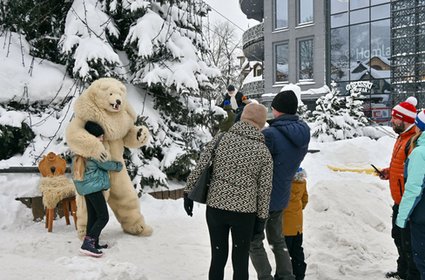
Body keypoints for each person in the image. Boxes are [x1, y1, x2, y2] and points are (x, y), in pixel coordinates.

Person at [184, 103, 273, 280]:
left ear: (242, 117)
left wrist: (188, 193)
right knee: (240, 261)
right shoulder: (263, 152)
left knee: (218, 257)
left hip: (216, 209)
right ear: (262, 124)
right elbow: (264, 190)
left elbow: (201, 167)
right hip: (244, 214)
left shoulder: (221, 139)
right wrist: (261, 219)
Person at [249, 89, 310, 280]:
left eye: (273, 108)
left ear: (278, 110)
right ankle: (286, 275)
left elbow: (255, 163)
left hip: (264, 196)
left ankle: (265, 277)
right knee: (277, 239)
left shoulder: (271, 135)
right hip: (282, 195)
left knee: (254, 240)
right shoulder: (303, 132)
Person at [377, 97, 420, 279]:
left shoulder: (413, 141)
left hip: (409, 202)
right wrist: (389, 172)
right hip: (399, 200)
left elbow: (414, 173)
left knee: (409, 242)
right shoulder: (402, 137)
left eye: (396, 118)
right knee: (398, 237)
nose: (392, 120)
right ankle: (403, 270)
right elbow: (402, 167)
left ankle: (412, 274)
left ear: (405, 119)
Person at [72, 121, 123, 258]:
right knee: (103, 217)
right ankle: (88, 244)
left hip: (87, 187)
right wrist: (119, 166)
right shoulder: (94, 150)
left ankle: (94, 243)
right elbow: (105, 164)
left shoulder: (83, 148)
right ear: (92, 137)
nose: (102, 139)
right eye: (99, 136)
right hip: (93, 188)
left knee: (93, 217)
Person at [396, 110, 425, 279]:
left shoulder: (420, 153)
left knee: (421, 261)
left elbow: (414, 189)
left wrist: (402, 219)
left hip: (421, 218)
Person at [283, 167, 308, 280]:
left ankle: (284, 275)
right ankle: (299, 274)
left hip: (286, 227)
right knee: (297, 251)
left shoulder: (286, 184)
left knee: (284, 254)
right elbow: (305, 199)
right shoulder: (303, 182)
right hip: (298, 226)